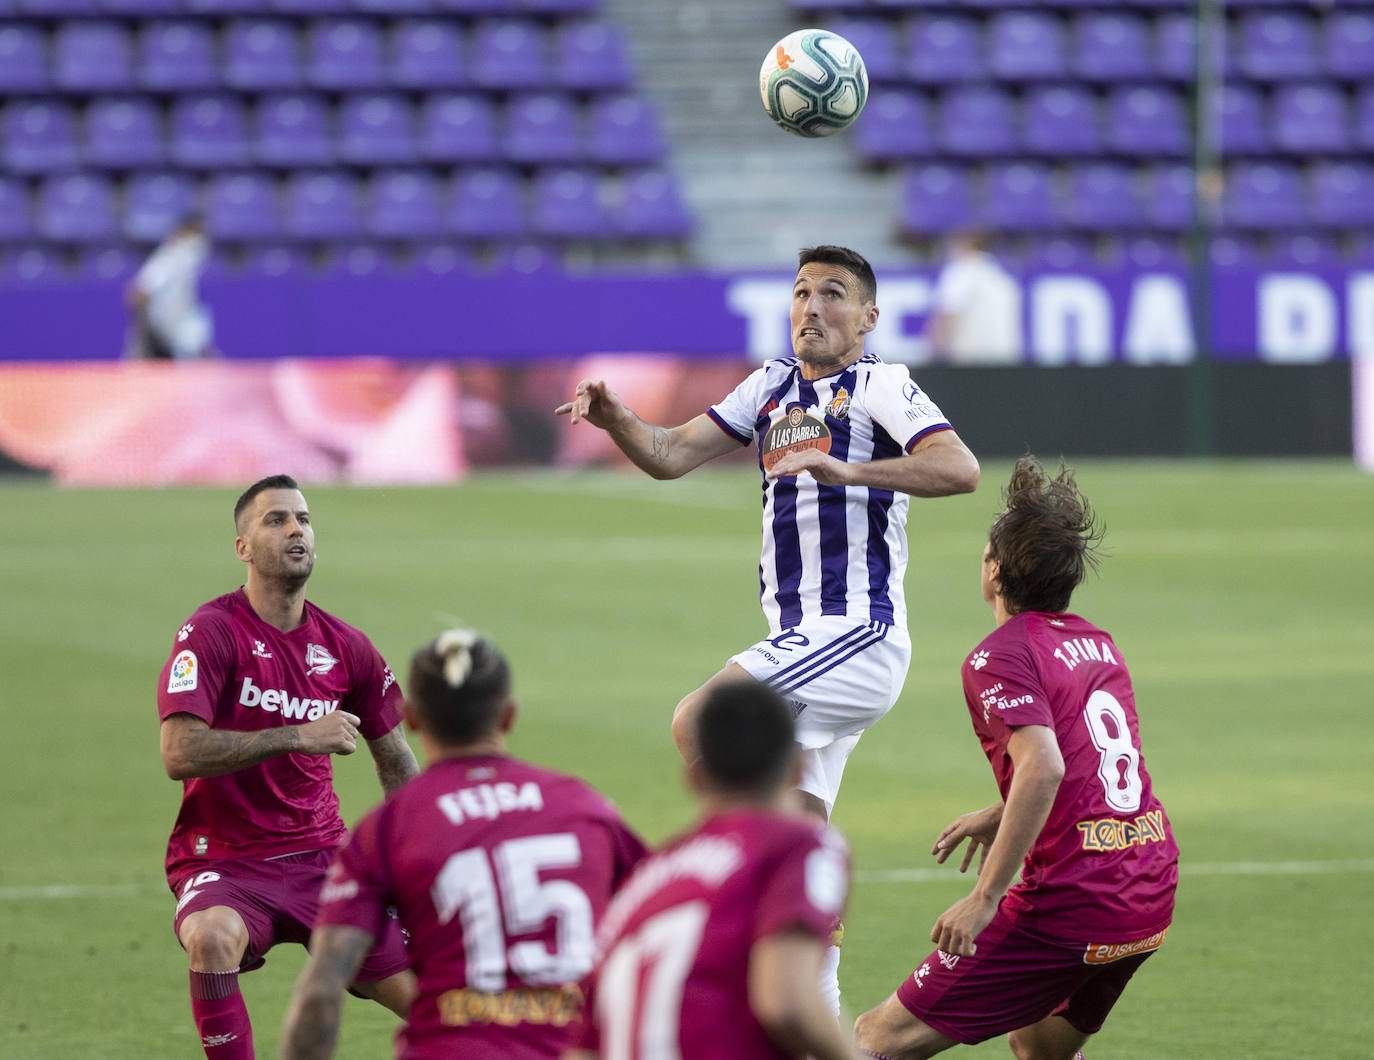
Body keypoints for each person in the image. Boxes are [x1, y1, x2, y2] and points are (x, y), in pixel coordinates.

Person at [557, 244, 979, 1008]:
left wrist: (847, 471)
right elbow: (672, 453)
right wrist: (617, 417)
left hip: (858, 632)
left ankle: (720, 906)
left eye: (833, 295)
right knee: (804, 829)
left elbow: (959, 468)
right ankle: (811, 1007)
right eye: (801, 293)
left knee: (705, 719)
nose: (812, 308)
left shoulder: (882, 385)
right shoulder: (772, 386)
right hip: (807, 647)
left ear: (869, 317)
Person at [853, 456, 1179, 1060]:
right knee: (1038, 1043)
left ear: (994, 572)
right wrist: (1003, 810)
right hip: (1149, 885)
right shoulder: (1098, 644)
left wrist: (983, 899)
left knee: (876, 1038)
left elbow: (1047, 766)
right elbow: (1091, 768)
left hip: (1078, 898)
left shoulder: (996, 657)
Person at [282, 628, 649, 1060]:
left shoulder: (388, 830)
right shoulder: (585, 808)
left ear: (413, 718)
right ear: (508, 716)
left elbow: (323, 987)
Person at [158, 473, 421, 1059]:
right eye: (275, 520)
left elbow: (396, 757)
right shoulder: (210, 633)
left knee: (431, 1002)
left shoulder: (347, 646)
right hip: (227, 861)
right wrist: (298, 735)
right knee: (210, 937)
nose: (295, 530)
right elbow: (179, 752)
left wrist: (423, 850)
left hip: (325, 860)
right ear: (243, 548)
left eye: (303, 519)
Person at [566, 681, 861, 1060]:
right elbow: (789, 1003)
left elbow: (582, 1046)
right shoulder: (798, 843)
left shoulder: (645, 879)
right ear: (797, 768)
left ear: (692, 776)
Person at [125, 213, 215, 360]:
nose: (201, 241)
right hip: (160, 336)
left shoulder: (191, 265)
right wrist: (146, 335)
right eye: (198, 234)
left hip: (182, 333)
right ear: (183, 233)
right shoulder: (168, 259)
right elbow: (138, 293)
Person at [925, 232, 1022, 365]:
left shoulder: (961, 270)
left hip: (971, 363)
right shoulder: (1002, 277)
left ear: (966, 244)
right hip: (1005, 361)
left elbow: (948, 314)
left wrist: (935, 358)